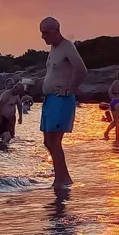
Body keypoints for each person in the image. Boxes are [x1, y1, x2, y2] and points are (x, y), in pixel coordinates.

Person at [39, 16, 88, 189]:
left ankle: (61, 180)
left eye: (46, 33)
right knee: (47, 141)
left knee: (54, 141)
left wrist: (70, 89)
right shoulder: (53, 49)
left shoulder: (68, 47)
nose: (43, 36)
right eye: (41, 32)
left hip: (61, 100)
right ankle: (63, 176)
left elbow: (82, 70)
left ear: (56, 30)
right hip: (50, 100)